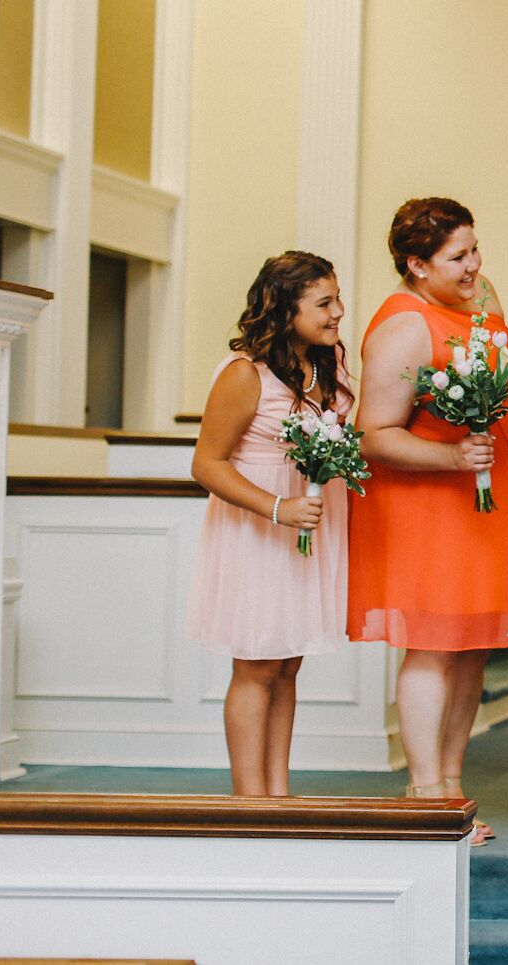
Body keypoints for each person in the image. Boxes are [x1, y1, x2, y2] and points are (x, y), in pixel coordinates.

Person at [350, 198, 508, 844]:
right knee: (431, 645)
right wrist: (453, 455)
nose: (475, 265)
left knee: (470, 649)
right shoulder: (403, 325)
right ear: (415, 263)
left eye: (475, 248)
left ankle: (453, 784)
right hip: (431, 506)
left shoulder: (480, 296)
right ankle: (423, 790)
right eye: (457, 256)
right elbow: (374, 434)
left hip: (484, 501)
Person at [187, 251, 352, 797]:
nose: (338, 312)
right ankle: (247, 801)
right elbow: (206, 464)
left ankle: (278, 793)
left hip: (306, 533)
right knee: (256, 667)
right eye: (324, 303)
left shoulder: (325, 368)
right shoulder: (244, 375)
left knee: (286, 665)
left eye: (336, 299)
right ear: (285, 309)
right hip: (258, 533)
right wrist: (277, 509)